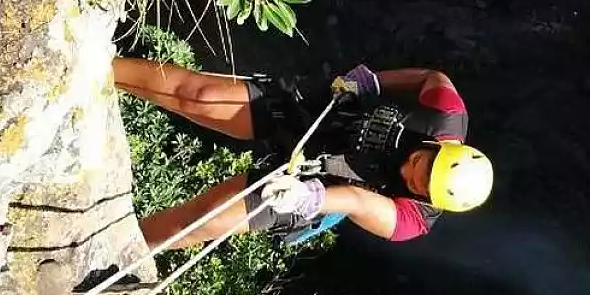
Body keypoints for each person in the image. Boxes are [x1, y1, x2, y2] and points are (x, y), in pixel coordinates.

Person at [113, 59, 493, 250]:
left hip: (320, 183)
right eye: (420, 164)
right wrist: (374, 82)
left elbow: (358, 200)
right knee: (200, 95)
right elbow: (431, 76)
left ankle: (117, 250)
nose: (409, 174)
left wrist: (308, 196)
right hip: (324, 116)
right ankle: (100, 67)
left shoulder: (414, 220)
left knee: (206, 221)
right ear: (439, 147)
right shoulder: (444, 114)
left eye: (417, 186)